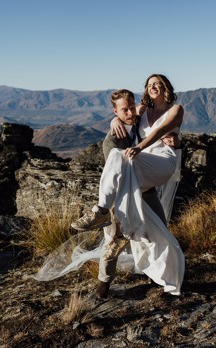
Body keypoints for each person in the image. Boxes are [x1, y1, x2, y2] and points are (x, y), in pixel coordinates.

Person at [36, 74, 185, 298]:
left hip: (161, 162)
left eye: (158, 83)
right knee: (152, 231)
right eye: (149, 84)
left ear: (166, 87)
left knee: (120, 158)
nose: (153, 87)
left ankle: (100, 211)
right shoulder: (143, 108)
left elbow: (158, 132)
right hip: (138, 170)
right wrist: (113, 121)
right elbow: (125, 115)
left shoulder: (176, 109)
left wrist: (139, 147)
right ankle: (104, 216)